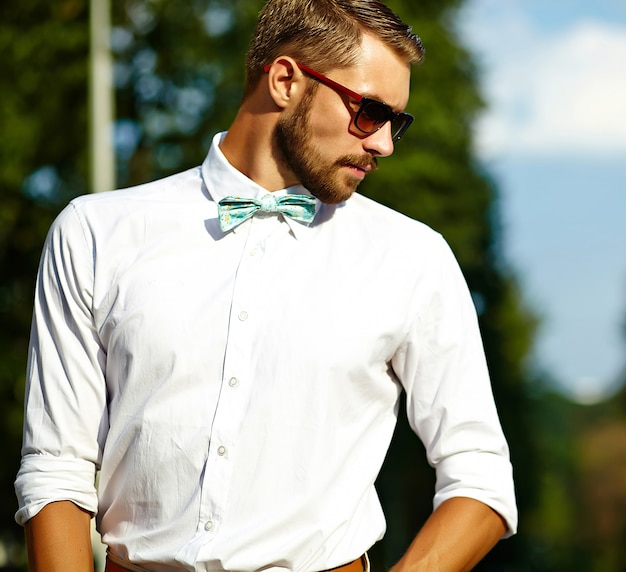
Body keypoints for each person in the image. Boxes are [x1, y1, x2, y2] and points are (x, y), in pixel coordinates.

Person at [15, 0, 517, 570]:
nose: (383, 145)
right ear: (284, 80)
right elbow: (56, 467)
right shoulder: (96, 232)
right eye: (371, 112)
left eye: (394, 122)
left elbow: (480, 475)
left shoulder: (412, 258)